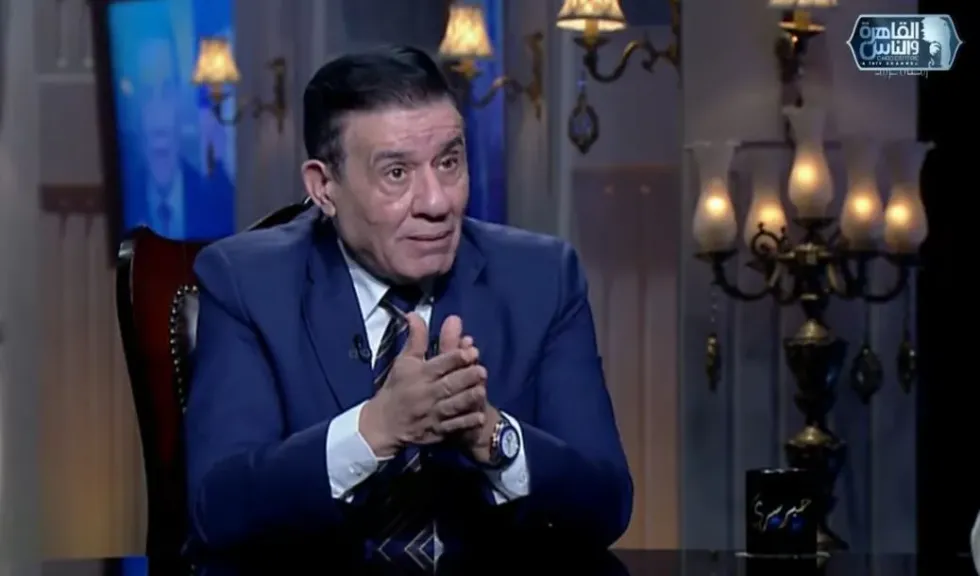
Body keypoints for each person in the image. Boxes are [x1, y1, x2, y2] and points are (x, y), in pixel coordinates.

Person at [184, 46, 633, 568]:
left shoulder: (543, 278)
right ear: (324, 187)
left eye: (449, 162)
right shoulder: (247, 283)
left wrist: (491, 435)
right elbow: (217, 509)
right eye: (396, 173)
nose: (437, 202)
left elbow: (607, 504)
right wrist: (375, 429)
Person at [122, 34, 235, 240]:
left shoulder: (213, 199)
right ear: (136, 106)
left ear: (179, 100)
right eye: (147, 93)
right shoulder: (124, 198)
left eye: (166, 91)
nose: (158, 112)